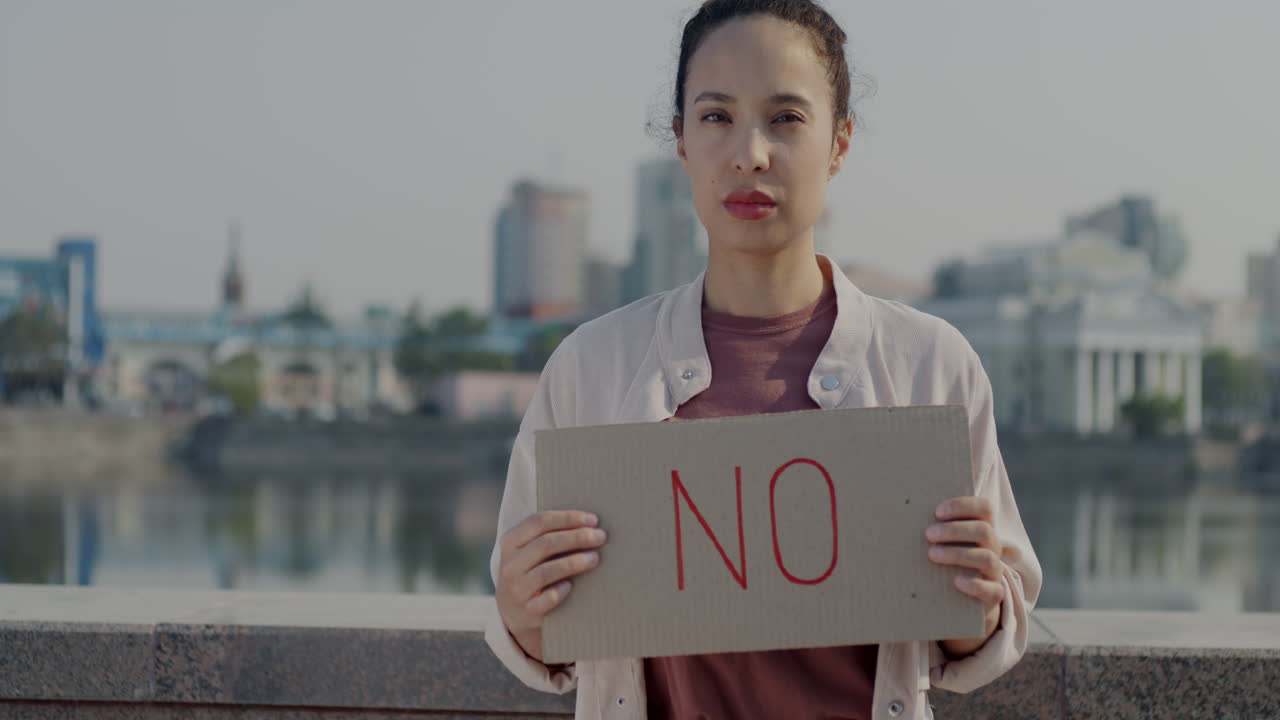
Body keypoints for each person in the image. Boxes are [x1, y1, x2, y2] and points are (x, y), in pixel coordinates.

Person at [486, 1, 1042, 718]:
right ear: (681, 141)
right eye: (716, 116)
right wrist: (524, 605)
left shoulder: (932, 363)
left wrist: (978, 598)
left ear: (839, 143)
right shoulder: (591, 367)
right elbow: (537, 640)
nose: (749, 151)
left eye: (786, 118)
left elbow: (989, 639)